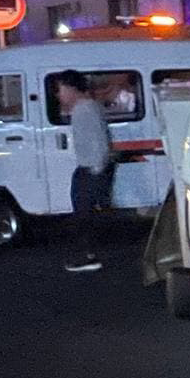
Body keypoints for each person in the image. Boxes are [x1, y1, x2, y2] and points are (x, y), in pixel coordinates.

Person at [56, 69, 114, 273]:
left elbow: (99, 141)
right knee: (85, 215)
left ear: (71, 88)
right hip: (90, 168)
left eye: (61, 89)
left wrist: (97, 170)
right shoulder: (88, 107)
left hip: (90, 169)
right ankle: (88, 255)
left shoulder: (84, 110)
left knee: (84, 216)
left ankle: (89, 256)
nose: (59, 95)